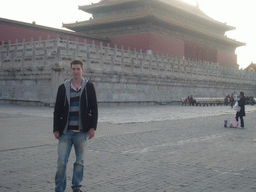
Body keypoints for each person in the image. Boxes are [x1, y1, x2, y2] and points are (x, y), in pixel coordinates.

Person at [53, 59, 98, 192]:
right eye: (73, 69)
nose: (76, 71)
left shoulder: (89, 87)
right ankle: (59, 189)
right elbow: (57, 109)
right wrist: (56, 128)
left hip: (81, 132)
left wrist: (92, 127)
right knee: (61, 163)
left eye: (78, 69)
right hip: (66, 132)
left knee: (79, 162)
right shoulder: (63, 87)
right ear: (70, 70)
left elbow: (94, 108)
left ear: (82, 70)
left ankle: (76, 187)